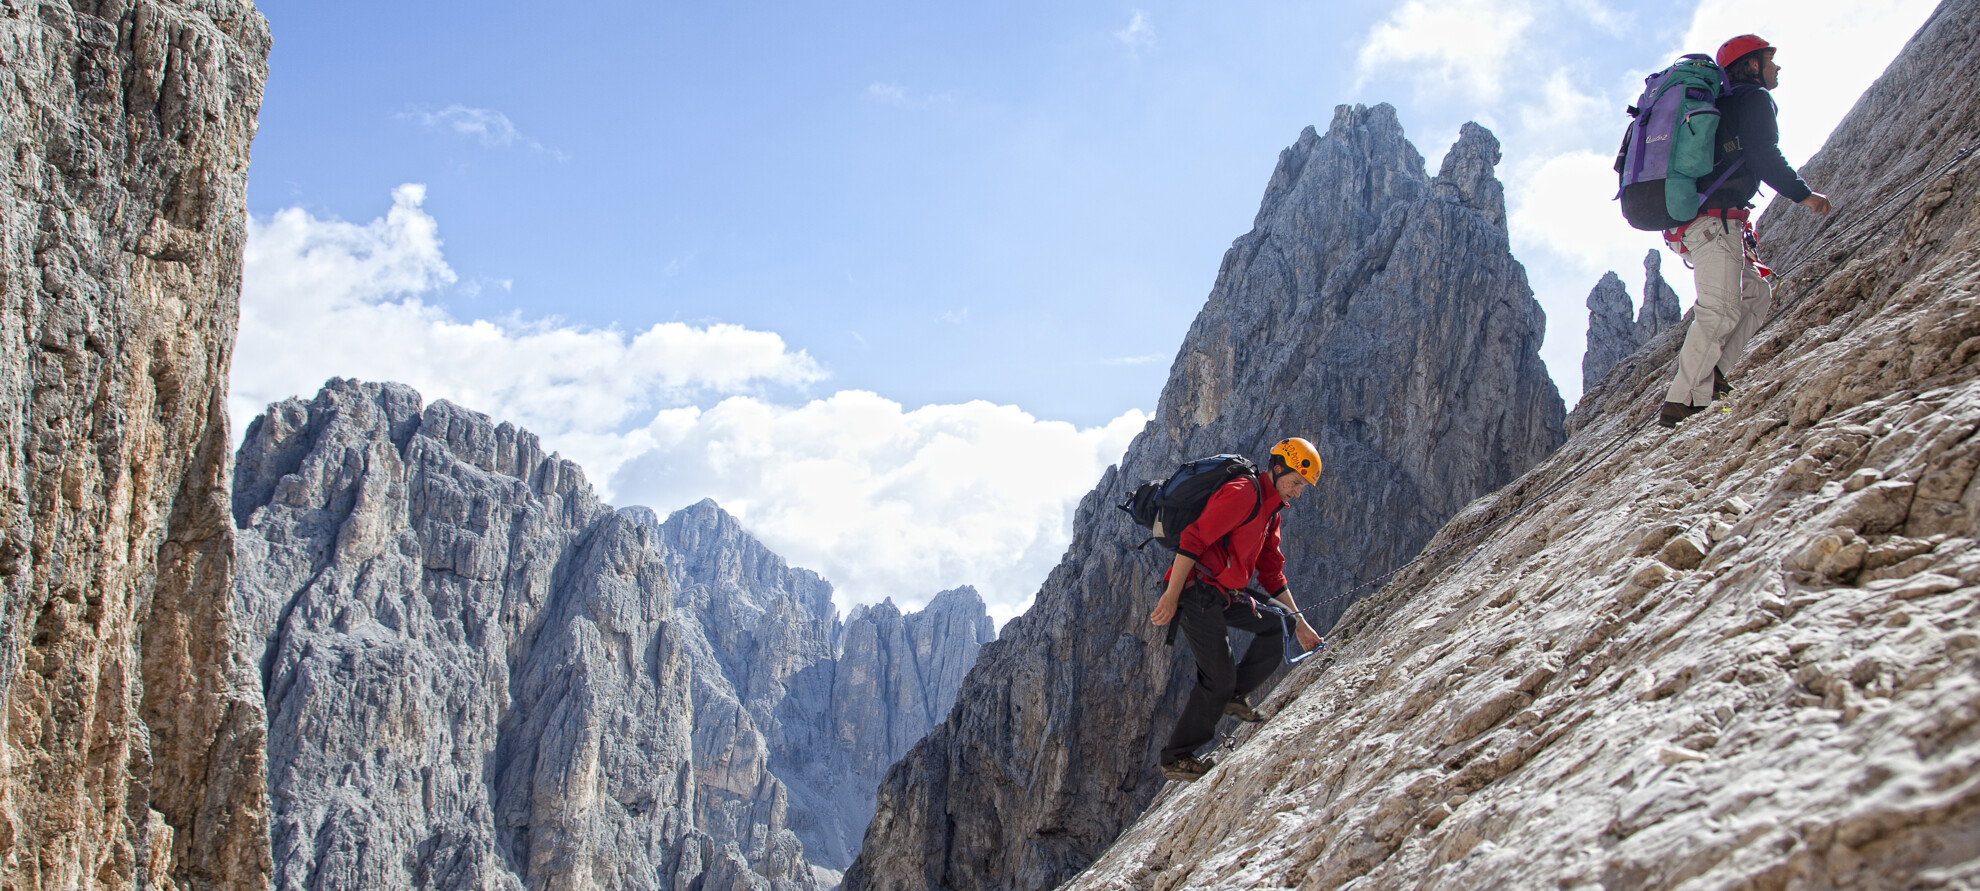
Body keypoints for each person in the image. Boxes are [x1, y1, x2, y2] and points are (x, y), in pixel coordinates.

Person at [1659, 34, 1834, 428]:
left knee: (1755, 292)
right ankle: (1683, 402)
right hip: (1713, 225)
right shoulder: (1753, 99)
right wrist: (1804, 196)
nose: (1777, 68)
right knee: (1719, 309)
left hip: (1704, 225)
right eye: (1770, 60)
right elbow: (1763, 154)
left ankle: (1713, 374)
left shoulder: (1721, 105)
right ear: (1752, 65)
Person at [1149, 437, 1324, 781]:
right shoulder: (1245, 492)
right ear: (1277, 469)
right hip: (1194, 589)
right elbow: (1194, 539)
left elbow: (1272, 574)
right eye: (1295, 482)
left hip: (1224, 591)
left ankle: (1234, 695)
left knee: (1279, 623)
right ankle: (1176, 756)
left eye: (1302, 486)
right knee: (1219, 677)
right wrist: (1171, 595)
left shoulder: (1271, 511)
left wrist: (1301, 624)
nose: (1298, 492)